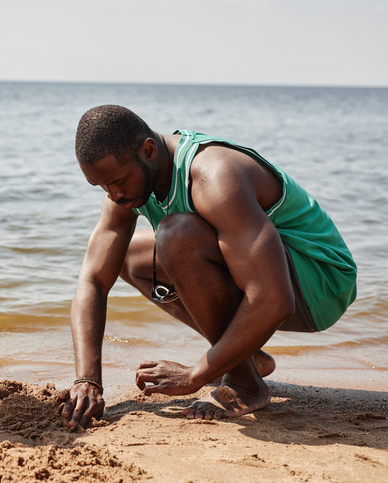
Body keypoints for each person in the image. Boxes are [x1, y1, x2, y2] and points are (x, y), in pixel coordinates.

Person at [60, 105, 357, 425]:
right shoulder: (130, 185)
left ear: (147, 150)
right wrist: (87, 380)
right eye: (103, 187)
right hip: (268, 281)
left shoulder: (213, 175)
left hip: (320, 284)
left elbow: (274, 300)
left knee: (177, 236)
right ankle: (245, 356)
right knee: (127, 256)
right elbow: (93, 279)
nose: (114, 195)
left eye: (118, 182)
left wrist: (196, 374)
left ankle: (244, 383)